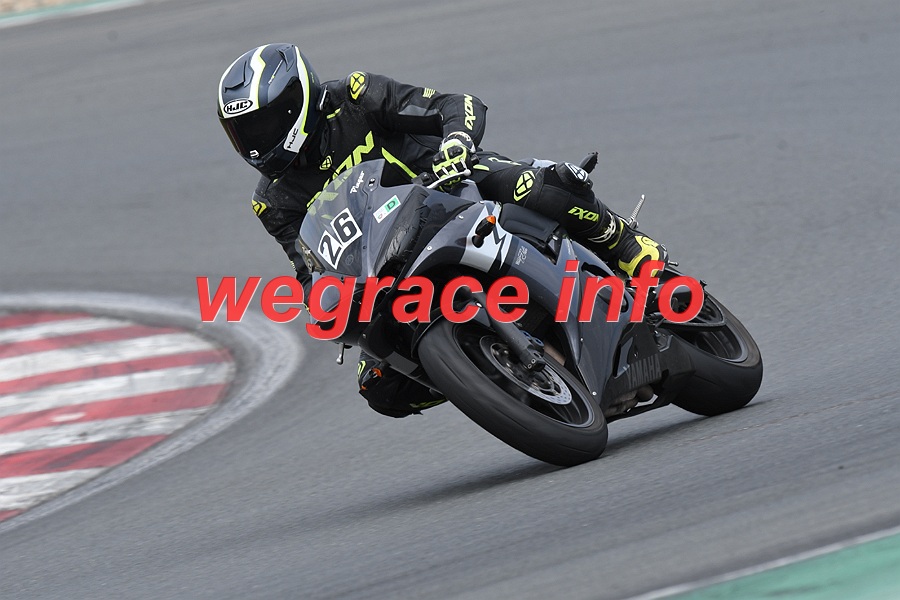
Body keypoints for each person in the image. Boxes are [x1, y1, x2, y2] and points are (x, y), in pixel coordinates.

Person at [216, 43, 667, 418]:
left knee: (529, 186)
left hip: (450, 186)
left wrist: (456, 142)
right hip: (386, 263)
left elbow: (456, 105)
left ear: (297, 100)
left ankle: (626, 245)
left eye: (262, 125)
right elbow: (309, 265)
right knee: (379, 385)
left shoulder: (355, 96)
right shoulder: (272, 202)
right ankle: (493, 377)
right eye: (242, 132)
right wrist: (321, 300)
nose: (254, 142)